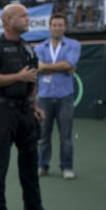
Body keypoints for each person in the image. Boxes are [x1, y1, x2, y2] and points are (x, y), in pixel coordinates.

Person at [0, 3, 56, 210]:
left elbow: (32, 79)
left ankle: (33, 207)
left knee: (30, 163)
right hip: (0, 114)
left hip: (25, 113)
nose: (27, 19)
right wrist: (18, 76)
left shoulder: (27, 48)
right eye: (23, 16)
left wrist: (34, 106)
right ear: (8, 21)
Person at [34, 14, 80, 180]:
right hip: (44, 97)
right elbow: (37, 67)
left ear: (65, 27)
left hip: (64, 97)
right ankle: (42, 166)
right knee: (43, 135)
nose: (57, 28)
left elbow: (69, 64)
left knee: (65, 135)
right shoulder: (40, 47)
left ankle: (67, 167)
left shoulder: (73, 45)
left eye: (60, 25)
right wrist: (61, 67)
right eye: (54, 25)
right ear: (50, 27)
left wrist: (47, 67)